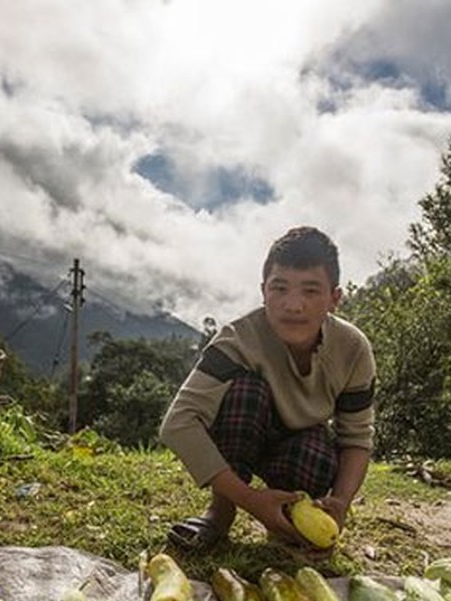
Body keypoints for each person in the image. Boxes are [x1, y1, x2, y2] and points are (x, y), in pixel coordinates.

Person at [158, 225, 376, 551]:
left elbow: (356, 438)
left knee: (316, 449)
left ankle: (290, 520)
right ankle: (219, 514)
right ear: (263, 291)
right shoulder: (238, 339)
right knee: (245, 391)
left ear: (335, 298)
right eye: (280, 288)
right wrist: (249, 500)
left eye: (311, 291)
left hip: (299, 445)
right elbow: (178, 424)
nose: (293, 305)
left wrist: (341, 501)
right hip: (243, 431)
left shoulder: (353, 349)